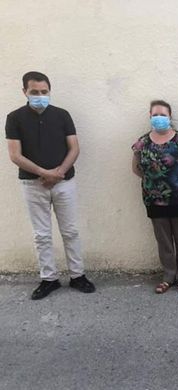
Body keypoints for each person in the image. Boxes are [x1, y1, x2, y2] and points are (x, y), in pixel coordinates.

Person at [5, 71, 95, 299]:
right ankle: (49, 279)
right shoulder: (14, 118)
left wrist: (59, 172)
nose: (40, 96)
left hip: (64, 182)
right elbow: (15, 155)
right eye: (34, 92)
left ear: (49, 91)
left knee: (70, 231)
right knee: (42, 235)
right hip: (32, 184)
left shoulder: (62, 115)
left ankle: (78, 275)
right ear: (24, 91)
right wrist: (44, 173)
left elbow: (74, 147)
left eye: (44, 92)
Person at [132, 100, 178, 294]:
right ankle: (168, 276)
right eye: (155, 114)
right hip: (155, 200)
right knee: (164, 241)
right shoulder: (143, 142)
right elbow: (136, 168)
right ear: (150, 116)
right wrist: (153, 182)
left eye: (163, 115)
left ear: (170, 117)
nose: (159, 118)